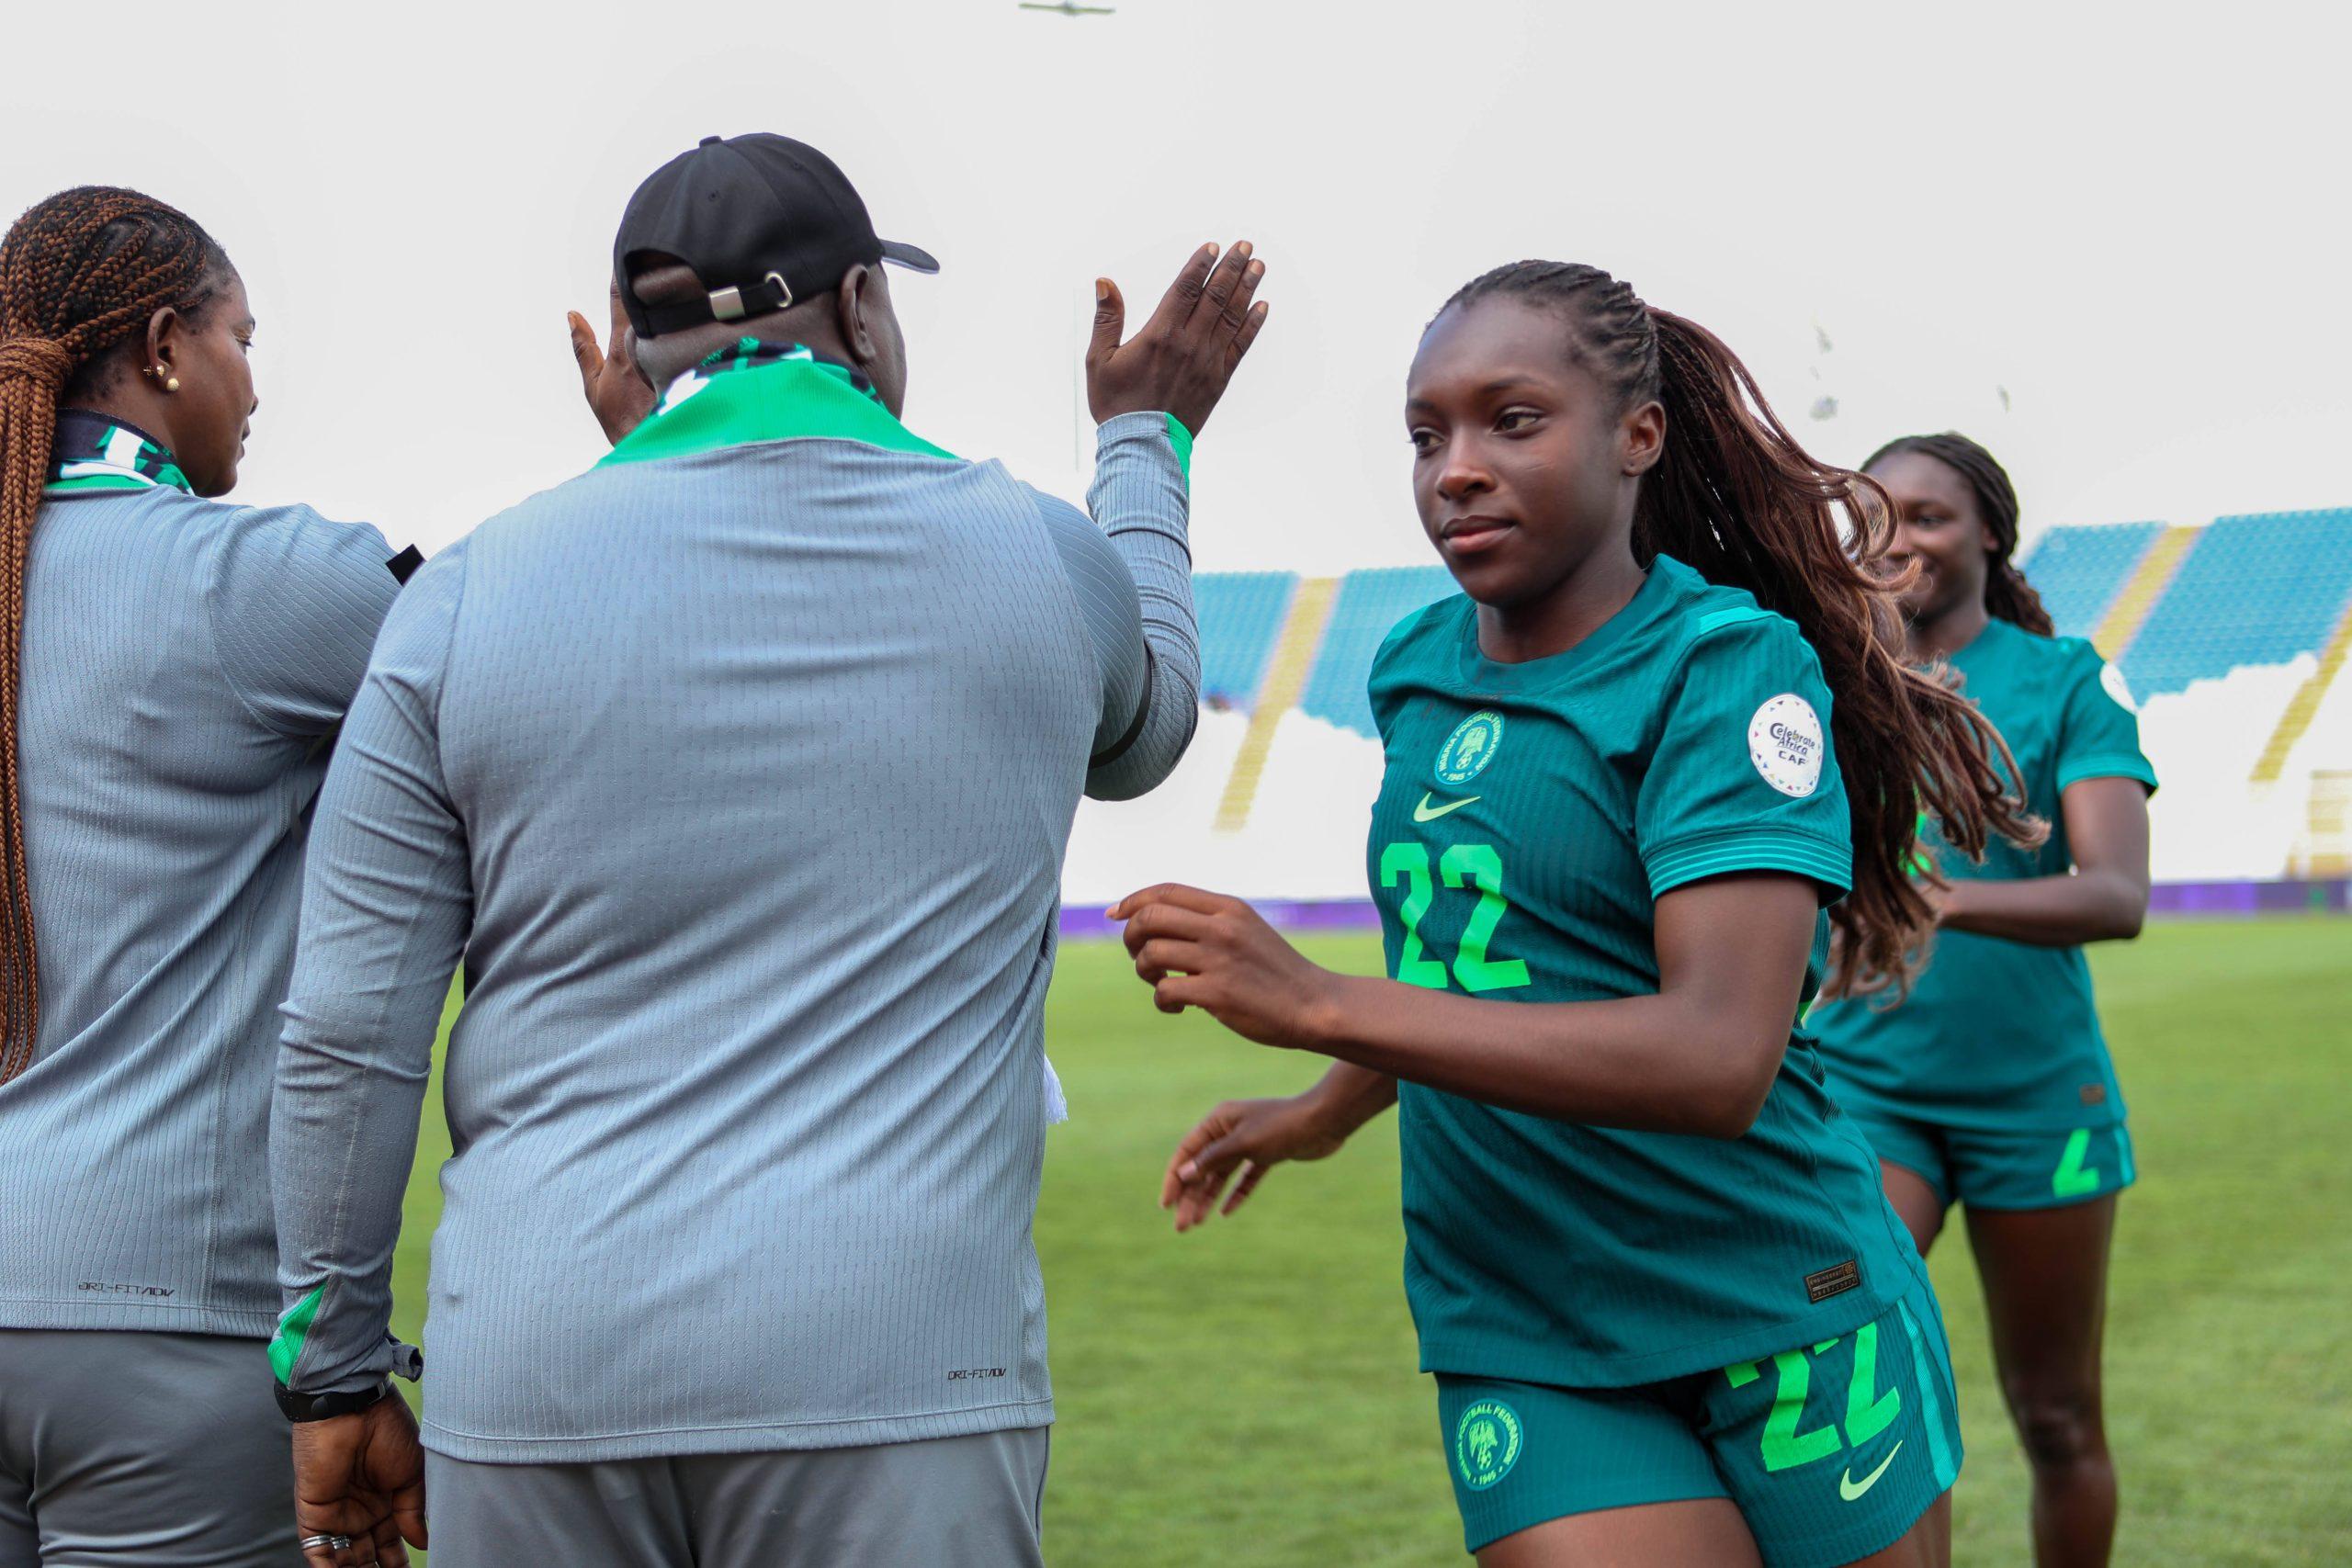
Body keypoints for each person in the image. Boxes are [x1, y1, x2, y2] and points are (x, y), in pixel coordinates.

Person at [266, 133, 1267, 1568]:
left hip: (544, 1369)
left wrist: (333, 1371)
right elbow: (1150, 728)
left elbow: (350, 1034)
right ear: (864, 311)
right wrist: (1142, 444)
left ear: (631, 341)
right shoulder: (1037, 557)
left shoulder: (468, 594)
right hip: (896, 1371)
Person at [1120, 261, 2040, 1568]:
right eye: (1427, 433)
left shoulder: (1724, 664)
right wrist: (1329, 1101)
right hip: (1525, 1322)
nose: (1456, 468)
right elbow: (1476, 955)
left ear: (1639, 435)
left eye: (1514, 418)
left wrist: (1319, 998)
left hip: (1782, 1306)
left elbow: (1721, 1055)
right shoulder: (1413, 667)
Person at [0, 187, 408, 1565]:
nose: (253, 381)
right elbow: (545, 657)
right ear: (168, 346)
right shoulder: (264, 582)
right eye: (244, 336)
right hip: (165, 1313)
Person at [1807, 433, 2154, 1568]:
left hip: (2034, 1100)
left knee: (2056, 1417)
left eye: (1932, 516)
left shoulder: (2063, 679)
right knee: (1848, 1367)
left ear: (1989, 533)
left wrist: (1941, 903)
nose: (1901, 540)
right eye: (1880, 517)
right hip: (1868, 1089)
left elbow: (2114, 893)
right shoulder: (1825, 682)